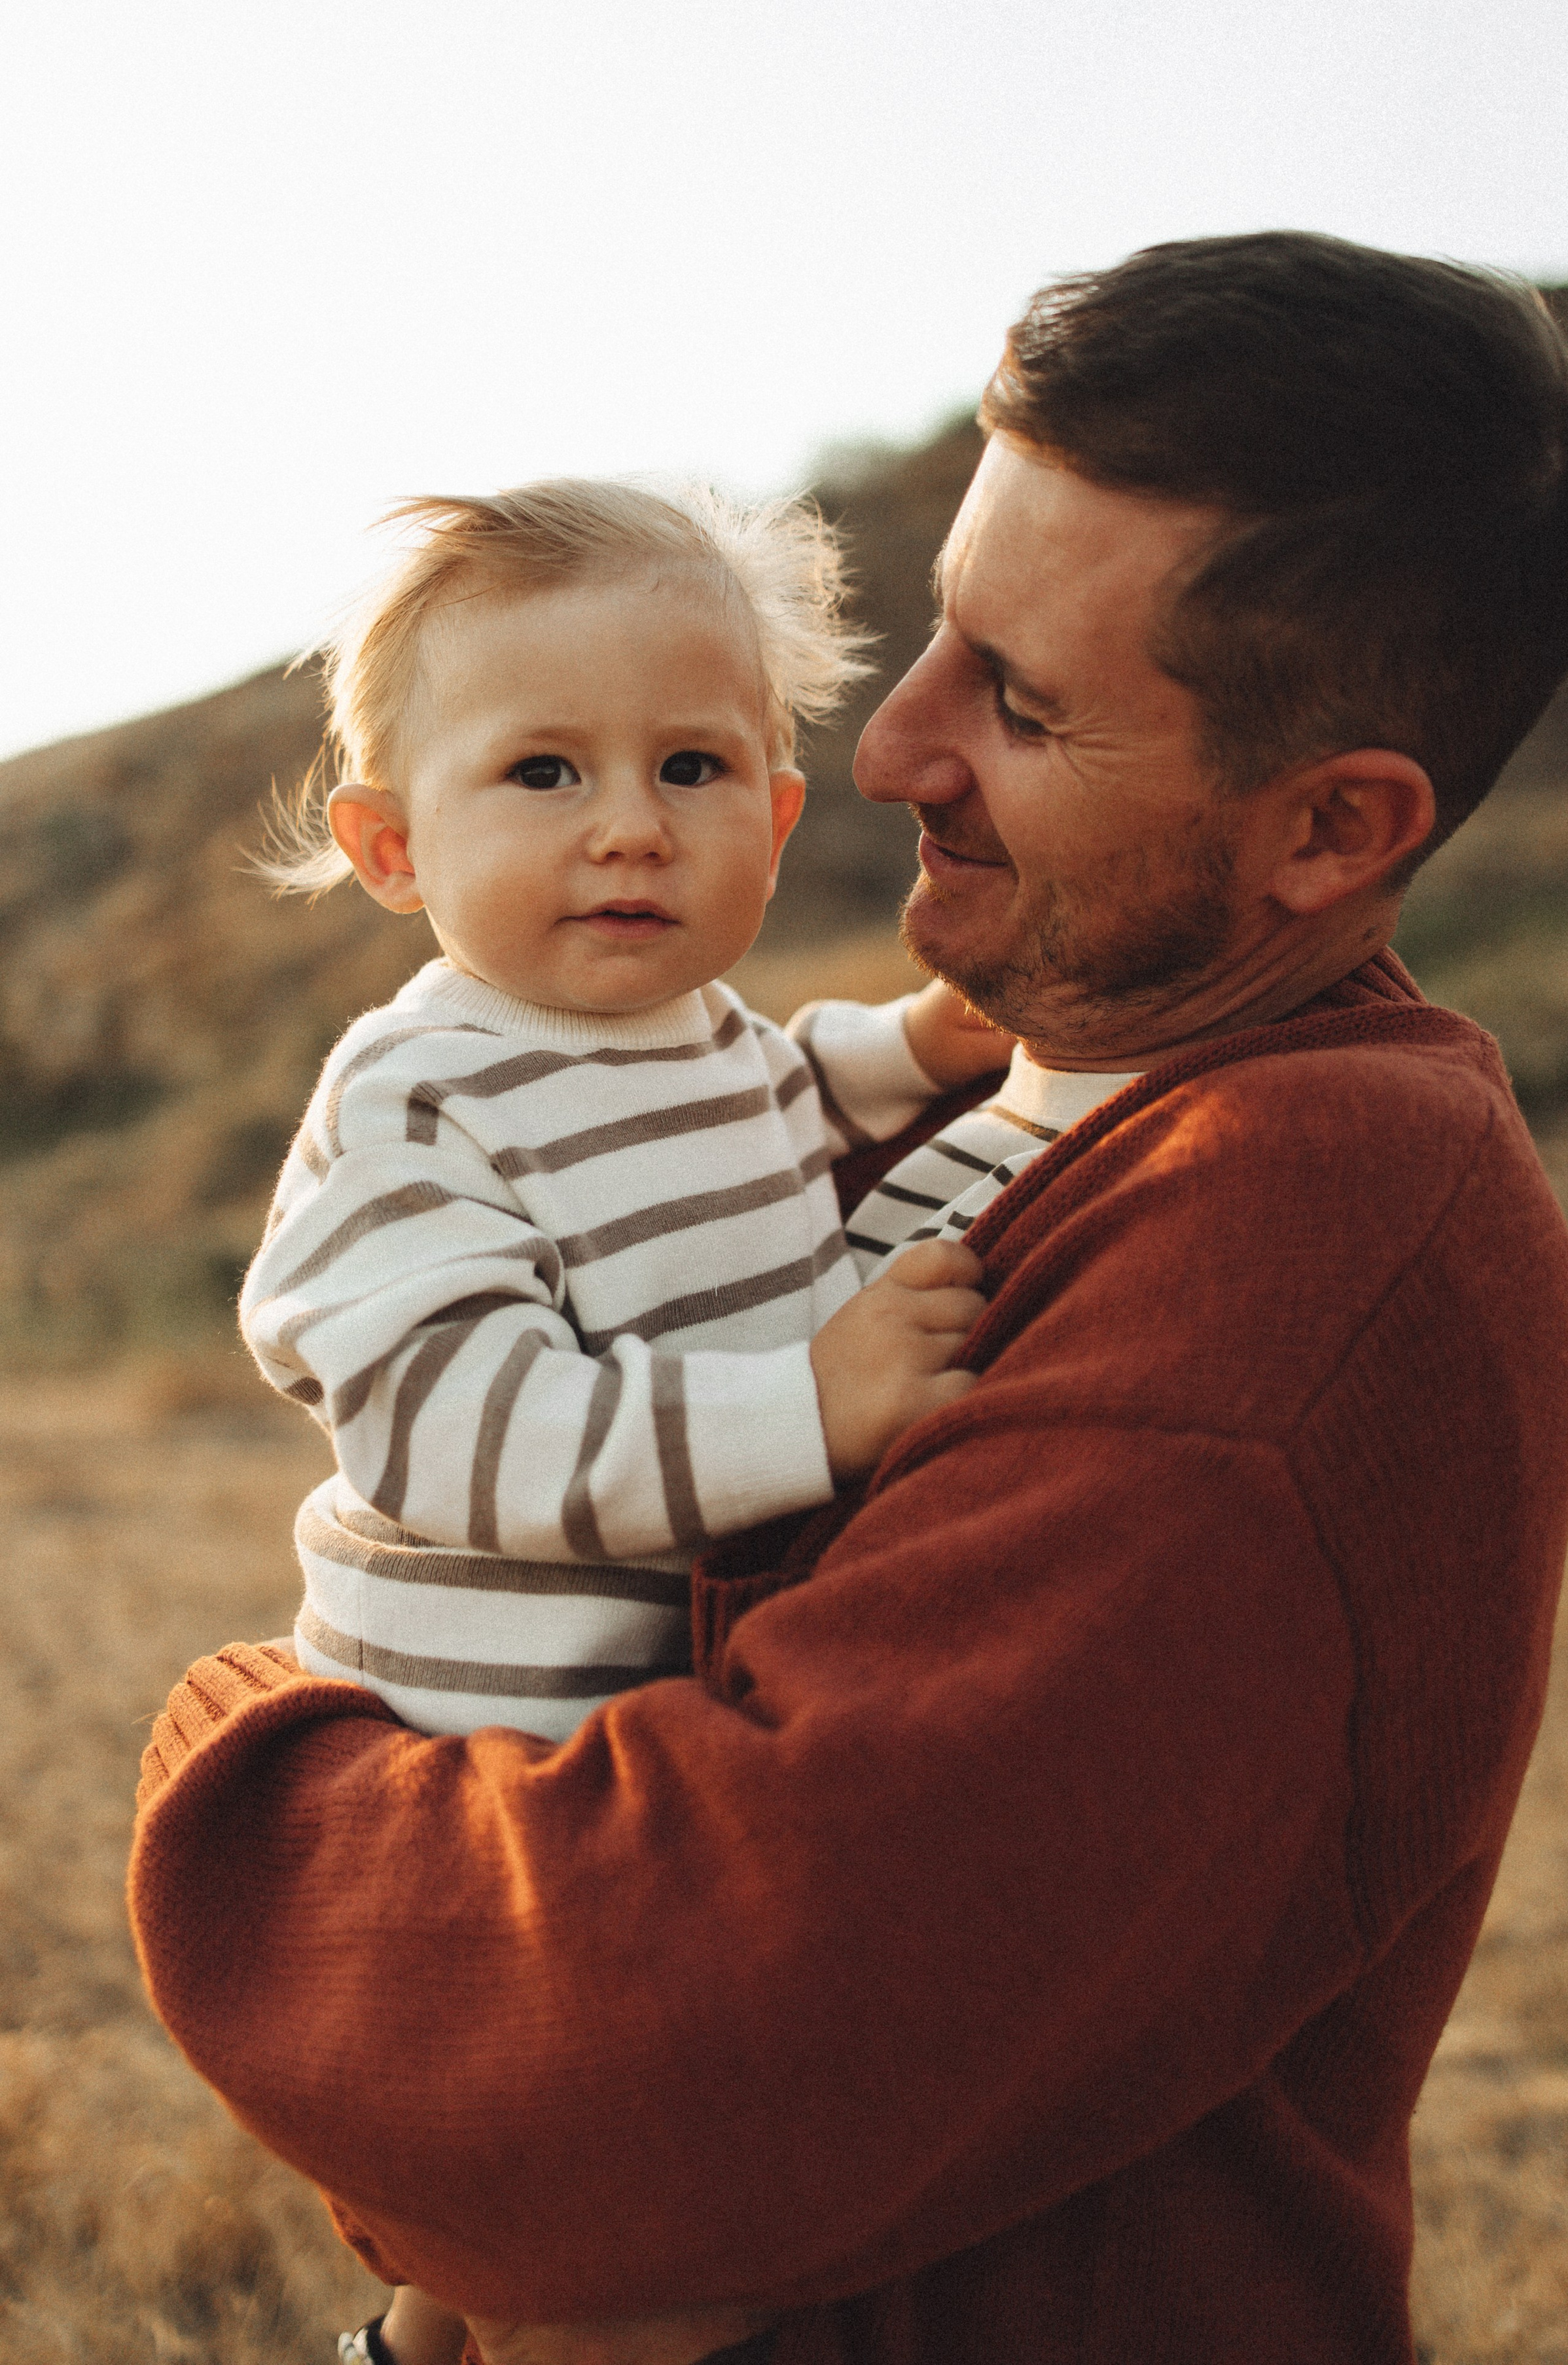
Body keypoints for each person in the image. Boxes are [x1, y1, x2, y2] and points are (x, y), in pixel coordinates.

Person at [130, 233, 1568, 2365]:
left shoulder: (1303, 1238)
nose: (884, 751)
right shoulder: (1053, 1081)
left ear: (1331, 830)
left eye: (1021, 704)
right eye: (940, 633)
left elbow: (615, 2085)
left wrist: (244, 1757)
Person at [236, 477, 1018, 2363]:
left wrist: (911, 1047)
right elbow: (460, 1427)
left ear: (773, 810)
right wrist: (802, 1410)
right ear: (390, 845)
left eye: (687, 767)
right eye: (542, 776)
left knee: (529, 2249)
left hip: (635, 1728)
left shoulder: (702, 1032)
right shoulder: (425, 1094)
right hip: (493, 1775)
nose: (627, 832)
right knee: (633, 2263)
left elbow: (776, 1095)